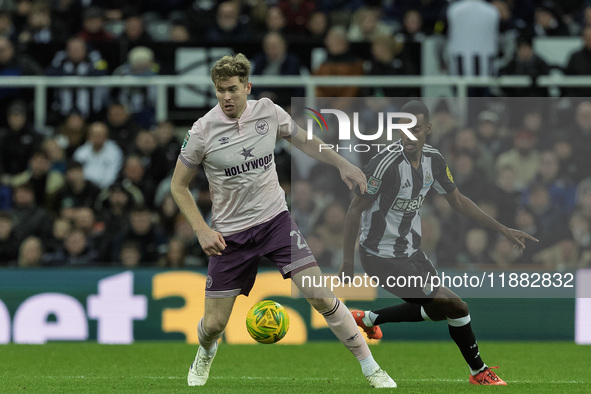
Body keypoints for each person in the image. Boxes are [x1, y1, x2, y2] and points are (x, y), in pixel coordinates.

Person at [170, 53, 396, 388]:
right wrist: (202, 229)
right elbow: (178, 186)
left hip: (275, 221)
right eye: (220, 90)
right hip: (230, 235)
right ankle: (205, 352)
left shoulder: (268, 112)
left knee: (319, 295)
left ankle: (371, 367)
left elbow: (305, 141)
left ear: (248, 87)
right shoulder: (202, 131)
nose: (226, 97)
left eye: (232, 89)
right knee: (215, 324)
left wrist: (342, 165)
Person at [339, 101, 538, 386]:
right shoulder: (385, 164)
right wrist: (348, 262)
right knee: (456, 305)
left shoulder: (434, 160)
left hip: (411, 251)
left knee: (435, 310)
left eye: (415, 129)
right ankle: (478, 371)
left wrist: (503, 229)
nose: (408, 136)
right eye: (403, 129)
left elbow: (457, 201)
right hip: (379, 256)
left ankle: (369, 319)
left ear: (427, 129)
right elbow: (354, 209)